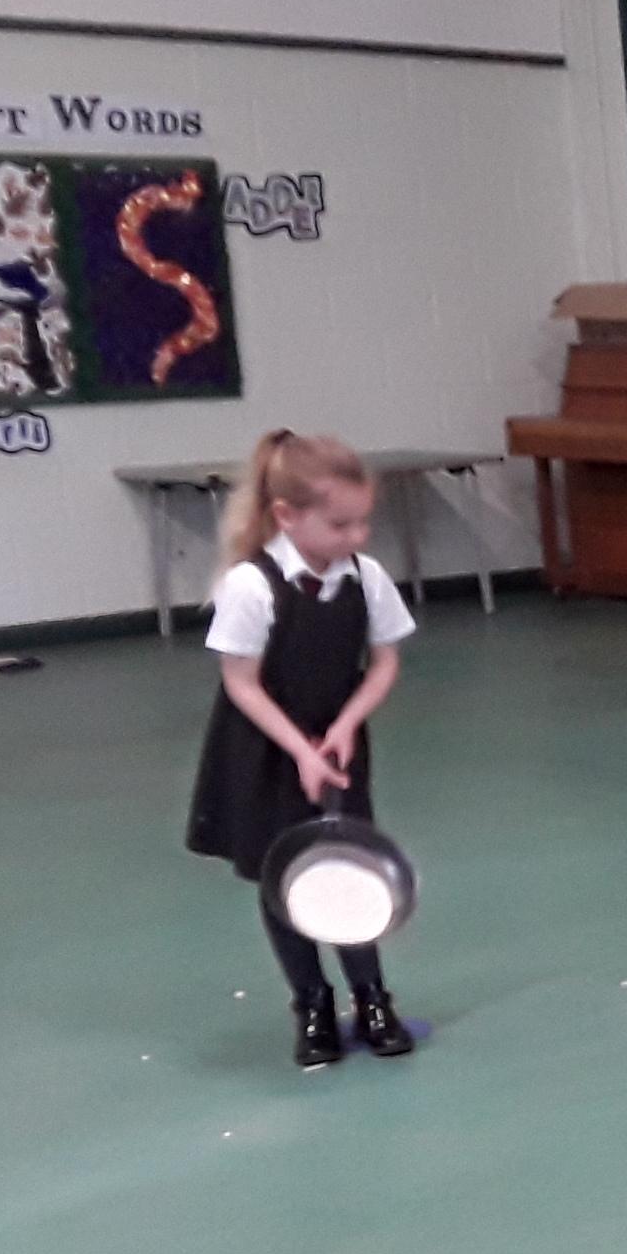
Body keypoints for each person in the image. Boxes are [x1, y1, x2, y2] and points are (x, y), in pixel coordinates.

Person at [185, 429, 420, 1072]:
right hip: (265, 752)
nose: (357, 537)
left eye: (363, 522)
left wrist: (346, 726)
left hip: (336, 748)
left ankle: (372, 999)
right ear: (287, 516)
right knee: (284, 875)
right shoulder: (251, 586)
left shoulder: (366, 578)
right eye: (340, 524)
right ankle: (311, 1004)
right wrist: (300, 751)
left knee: (350, 868)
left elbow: (384, 662)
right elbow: (241, 684)